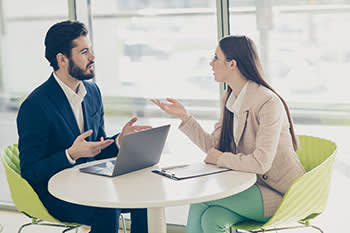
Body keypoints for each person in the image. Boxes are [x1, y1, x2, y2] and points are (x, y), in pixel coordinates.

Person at [151, 35, 306, 233]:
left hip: (282, 193)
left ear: (232, 64)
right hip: (252, 186)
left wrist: (222, 158)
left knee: (201, 202)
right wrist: (185, 117)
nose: (211, 63)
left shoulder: (268, 102)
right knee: (212, 219)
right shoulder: (230, 96)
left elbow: (261, 163)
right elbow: (215, 148)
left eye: (215, 58)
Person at [17, 20, 151, 233]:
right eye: (84, 52)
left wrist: (118, 141)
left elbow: (97, 151)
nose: (92, 58)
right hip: (56, 193)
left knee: (142, 196)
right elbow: (31, 171)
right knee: (106, 209)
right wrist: (69, 154)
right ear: (62, 59)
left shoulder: (93, 93)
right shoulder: (35, 106)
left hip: (90, 182)